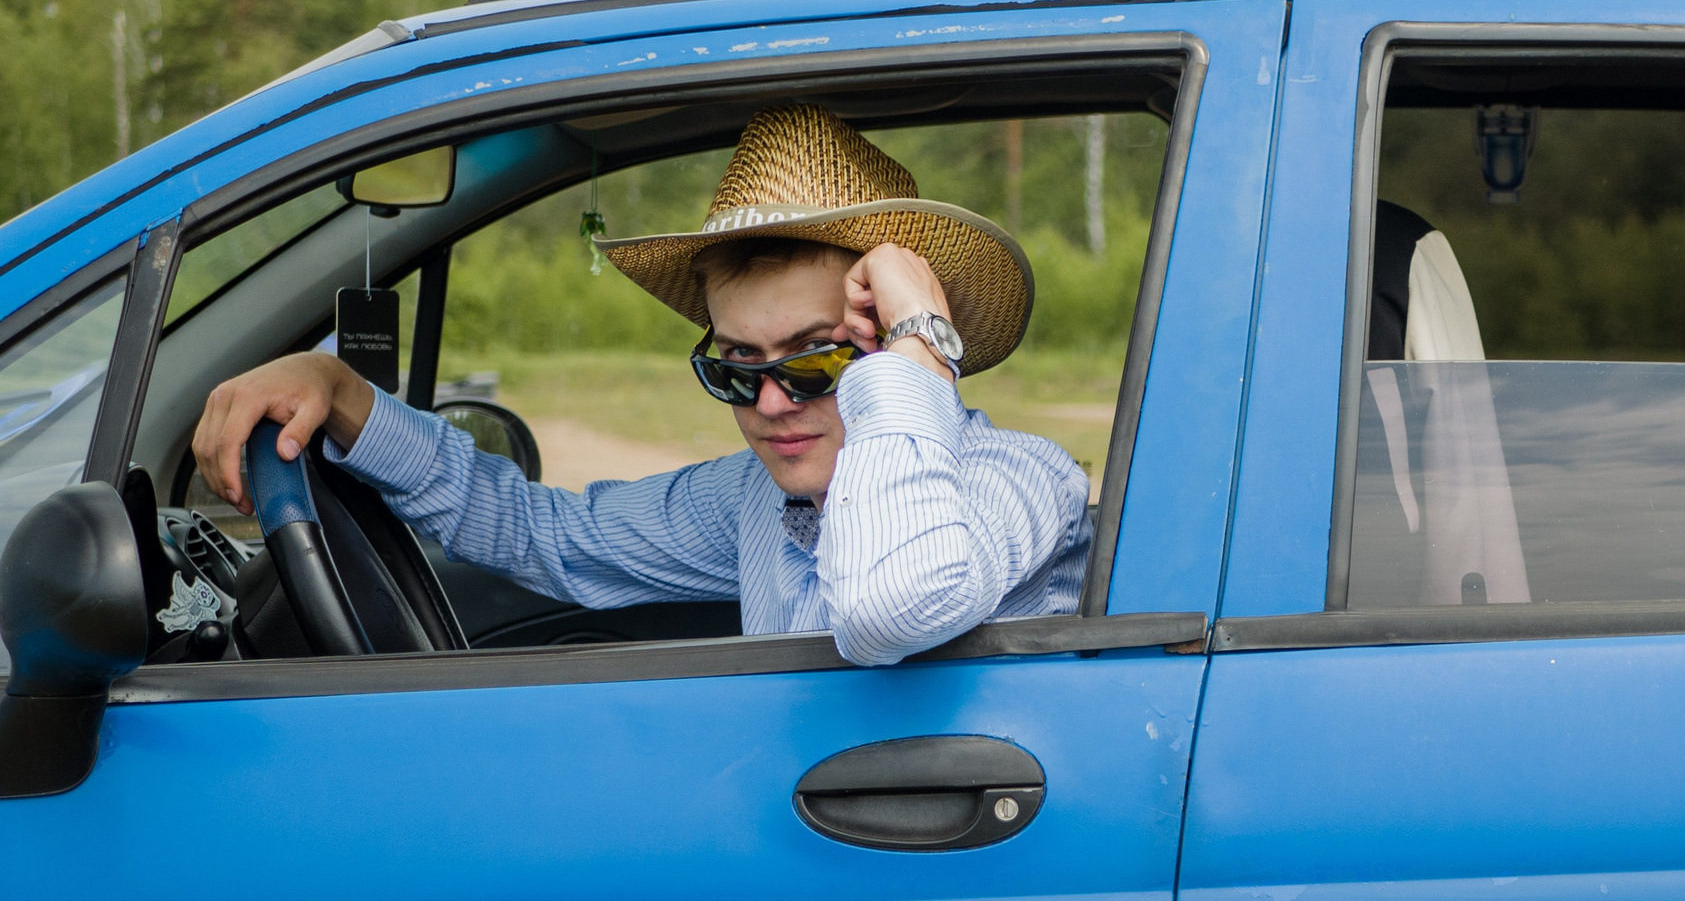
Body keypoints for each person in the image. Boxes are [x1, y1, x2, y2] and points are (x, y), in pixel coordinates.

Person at [192, 103, 1091, 665]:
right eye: (734, 368)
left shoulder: (1021, 480)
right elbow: (545, 533)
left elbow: (891, 606)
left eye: (816, 360)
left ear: (898, 349)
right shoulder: (753, 501)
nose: (772, 405)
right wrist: (344, 394)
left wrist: (918, 348)